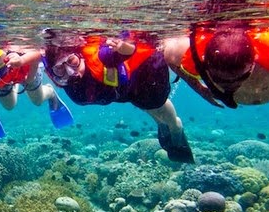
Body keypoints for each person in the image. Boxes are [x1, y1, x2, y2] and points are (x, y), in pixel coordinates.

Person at [42, 31, 194, 163]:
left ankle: (175, 127)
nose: (70, 72)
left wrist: (123, 46)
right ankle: (162, 124)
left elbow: (125, 51)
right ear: (51, 72)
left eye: (72, 61)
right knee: (144, 105)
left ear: (80, 55)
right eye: (60, 69)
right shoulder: (59, 70)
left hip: (143, 77)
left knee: (155, 105)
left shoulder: (101, 57)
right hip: (123, 91)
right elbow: (37, 56)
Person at [163, 22, 269, 108]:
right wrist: (199, 89)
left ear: (254, 60)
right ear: (205, 64)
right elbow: (167, 53)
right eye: (218, 79)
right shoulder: (194, 57)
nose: (230, 87)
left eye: (241, 77)